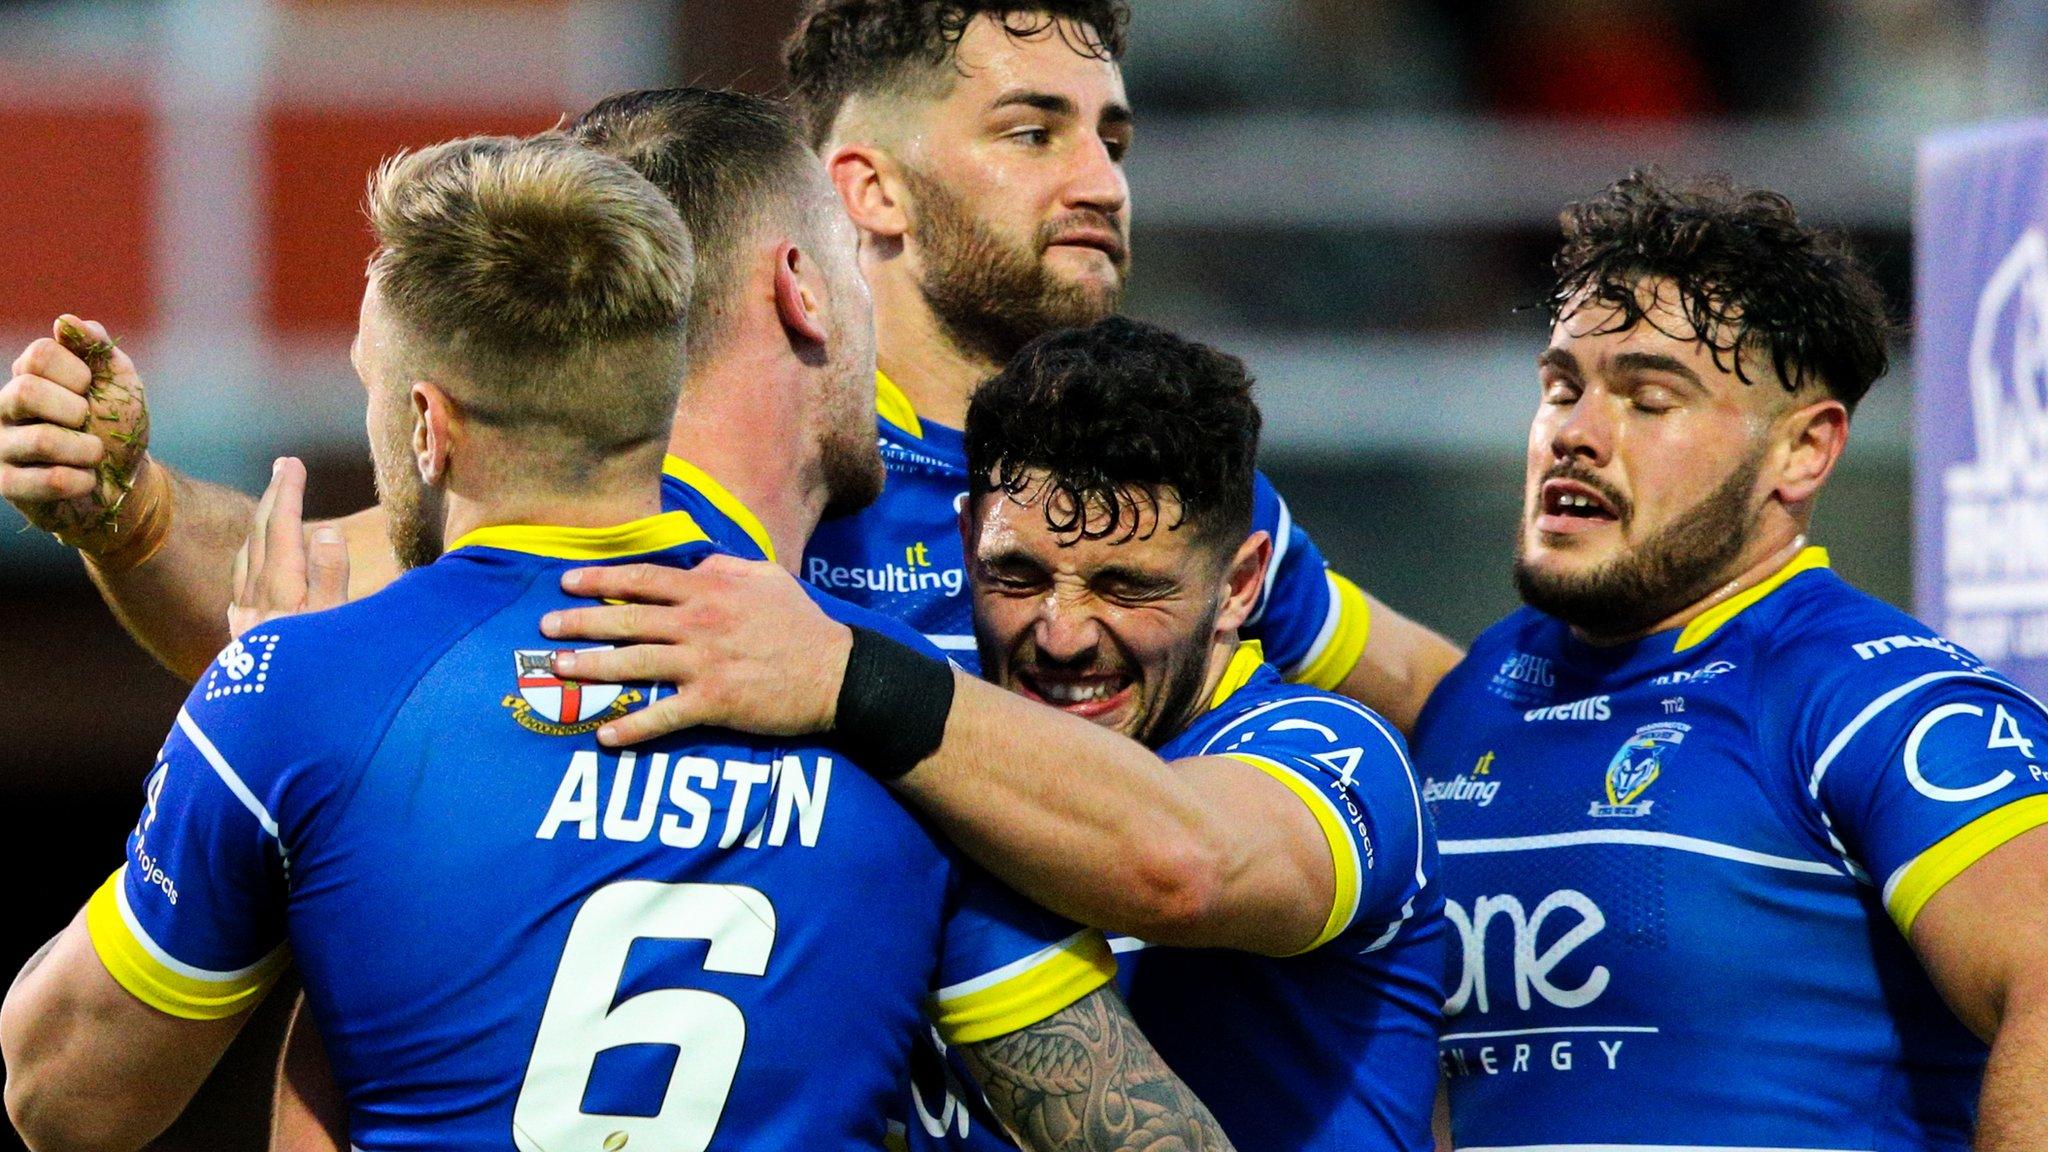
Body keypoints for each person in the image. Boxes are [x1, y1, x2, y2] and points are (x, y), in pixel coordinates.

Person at [0, 132, 1233, 1152]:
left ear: (425, 426)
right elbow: (1143, 1136)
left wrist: (266, 789)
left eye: (372, 381)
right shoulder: (882, 707)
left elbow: (64, 1101)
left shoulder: (301, 689)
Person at [535, 318, 1446, 1150]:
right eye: (1017, 574)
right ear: (967, 538)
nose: (1061, 633)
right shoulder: (938, 762)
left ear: (1242, 583)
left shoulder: (1335, 752)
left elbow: (1182, 867)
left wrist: (849, 673)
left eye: (1126, 587)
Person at [1414, 171, 2048, 1148]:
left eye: (1646, 399)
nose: (1574, 434)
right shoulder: (1479, 696)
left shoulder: (1873, 697)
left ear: (1800, 452)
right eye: (1559, 386)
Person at [782, 0, 1461, 729]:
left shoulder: (1165, 469)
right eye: (1033, 135)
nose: (1103, 186)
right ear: (873, 190)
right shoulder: (773, 467)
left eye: (1112, 142)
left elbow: (1443, 699)